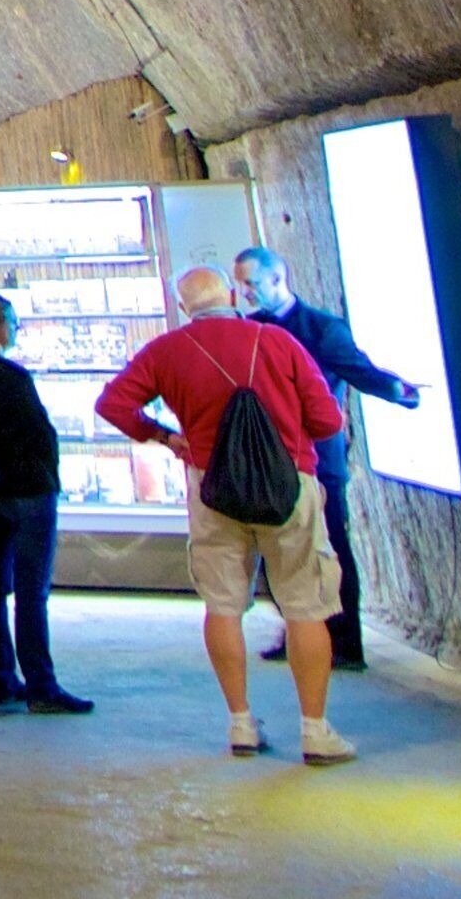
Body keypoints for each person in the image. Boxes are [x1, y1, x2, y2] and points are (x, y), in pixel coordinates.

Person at [99, 267, 356, 765]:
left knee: (223, 604)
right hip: (288, 486)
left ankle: (240, 723)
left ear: (183, 307)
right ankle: (315, 730)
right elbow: (327, 420)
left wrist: (165, 436)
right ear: (233, 296)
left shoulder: (167, 351)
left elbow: (114, 404)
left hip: (211, 486)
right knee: (306, 604)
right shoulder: (276, 342)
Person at [233, 245, 421, 670]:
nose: (245, 293)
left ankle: (345, 642)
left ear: (277, 278)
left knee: (330, 546)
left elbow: (358, 370)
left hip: (318, 459)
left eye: (251, 283)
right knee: (279, 548)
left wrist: (397, 390)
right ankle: (297, 630)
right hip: (268, 459)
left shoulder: (321, 328)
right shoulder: (250, 330)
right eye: (241, 285)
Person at [0, 293, 90, 713]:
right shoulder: (12, 377)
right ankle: (42, 685)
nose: (16, 328)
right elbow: (38, 435)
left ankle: (1, 678)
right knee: (31, 591)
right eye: (11, 321)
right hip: (27, 494)